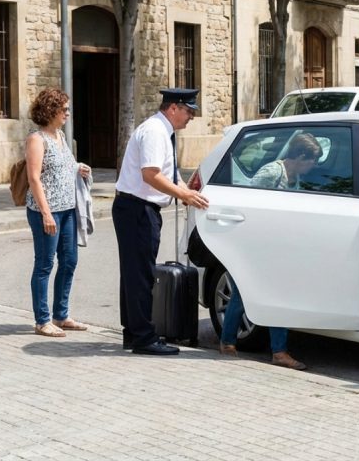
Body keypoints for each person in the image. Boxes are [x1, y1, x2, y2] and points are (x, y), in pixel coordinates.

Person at [114, 88, 209, 356]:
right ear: (173, 108)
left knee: (134, 274)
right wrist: (183, 194)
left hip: (138, 208)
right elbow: (151, 175)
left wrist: (186, 191)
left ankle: (134, 332)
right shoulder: (156, 132)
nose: (191, 117)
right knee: (141, 275)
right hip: (137, 209)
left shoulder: (162, 130)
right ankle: (144, 337)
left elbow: (168, 174)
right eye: (189, 111)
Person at [219, 132, 321, 370]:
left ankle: (275, 350)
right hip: (256, 246)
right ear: (300, 156)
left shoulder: (295, 177)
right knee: (242, 295)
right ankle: (231, 343)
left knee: (276, 295)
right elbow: (250, 206)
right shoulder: (271, 172)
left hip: (278, 247)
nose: (314, 166)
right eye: (312, 160)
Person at [25, 88, 91, 337]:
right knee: (44, 264)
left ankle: (61, 315)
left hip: (68, 209)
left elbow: (63, 165)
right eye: (64, 109)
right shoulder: (36, 139)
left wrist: (78, 168)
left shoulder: (60, 136)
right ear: (50, 110)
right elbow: (34, 178)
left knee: (70, 261)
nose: (68, 113)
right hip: (47, 211)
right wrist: (46, 213)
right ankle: (42, 320)